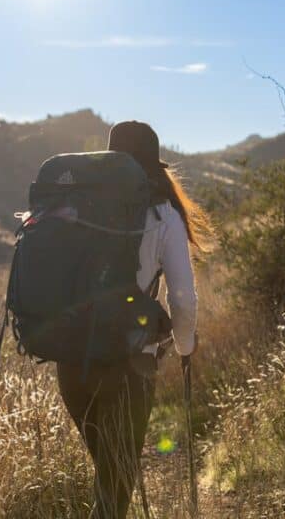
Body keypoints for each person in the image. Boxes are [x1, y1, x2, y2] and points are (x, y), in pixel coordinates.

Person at [56, 120, 211, 518]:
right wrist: (185, 346)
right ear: (153, 162)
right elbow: (183, 298)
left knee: (108, 479)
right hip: (128, 365)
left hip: (72, 363)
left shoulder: (73, 203)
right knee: (115, 485)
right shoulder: (163, 213)